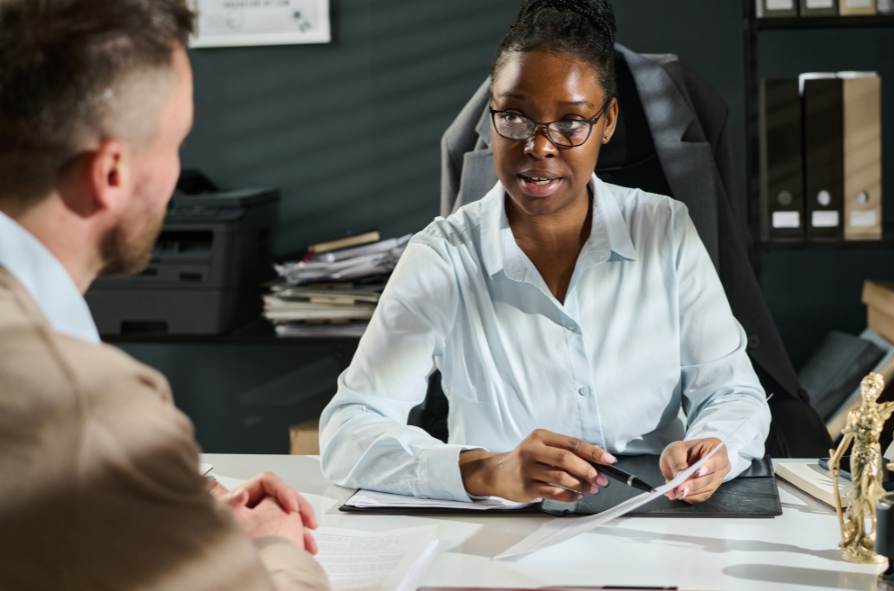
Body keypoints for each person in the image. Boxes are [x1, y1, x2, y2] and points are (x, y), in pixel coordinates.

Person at [320, 0, 770, 505]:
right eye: (514, 118)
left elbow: (733, 393)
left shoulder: (663, 228)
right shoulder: (443, 256)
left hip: (654, 522)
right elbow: (348, 430)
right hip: (504, 538)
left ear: (608, 122)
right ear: (491, 120)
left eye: (571, 123)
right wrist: (487, 469)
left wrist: (714, 448)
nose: (540, 146)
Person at [0, 1, 329, 589]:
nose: (180, 171)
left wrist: (179, 499)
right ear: (112, 174)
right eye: (176, 143)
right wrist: (270, 549)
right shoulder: (85, 400)